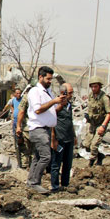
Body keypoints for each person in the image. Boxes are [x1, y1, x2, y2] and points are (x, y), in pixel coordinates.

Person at [26, 66, 65, 194]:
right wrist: (54, 101)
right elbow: (38, 109)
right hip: (38, 129)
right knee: (45, 157)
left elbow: (51, 111)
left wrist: (60, 104)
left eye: (51, 79)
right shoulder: (35, 91)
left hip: (46, 129)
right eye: (48, 79)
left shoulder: (48, 92)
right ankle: (34, 182)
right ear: (40, 77)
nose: (50, 81)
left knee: (38, 157)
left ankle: (31, 180)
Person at [51, 83, 76, 192]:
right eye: (69, 93)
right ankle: (55, 186)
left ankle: (65, 184)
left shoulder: (69, 105)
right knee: (56, 163)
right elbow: (51, 121)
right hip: (59, 138)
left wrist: (74, 136)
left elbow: (70, 121)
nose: (71, 95)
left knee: (68, 163)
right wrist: (53, 139)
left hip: (69, 138)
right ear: (63, 93)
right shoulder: (56, 105)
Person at [82, 76, 110, 166]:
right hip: (92, 123)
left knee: (94, 145)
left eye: (96, 86)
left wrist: (103, 126)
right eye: (92, 86)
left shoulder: (104, 98)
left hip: (101, 123)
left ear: (100, 86)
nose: (94, 88)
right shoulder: (91, 96)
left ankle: (91, 163)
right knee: (87, 145)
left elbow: (109, 113)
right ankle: (100, 156)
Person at [15, 91, 33, 169]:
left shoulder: (27, 96)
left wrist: (18, 126)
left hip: (28, 128)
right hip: (38, 128)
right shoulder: (43, 95)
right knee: (33, 151)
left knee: (25, 149)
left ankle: (26, 167)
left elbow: (21, 111)